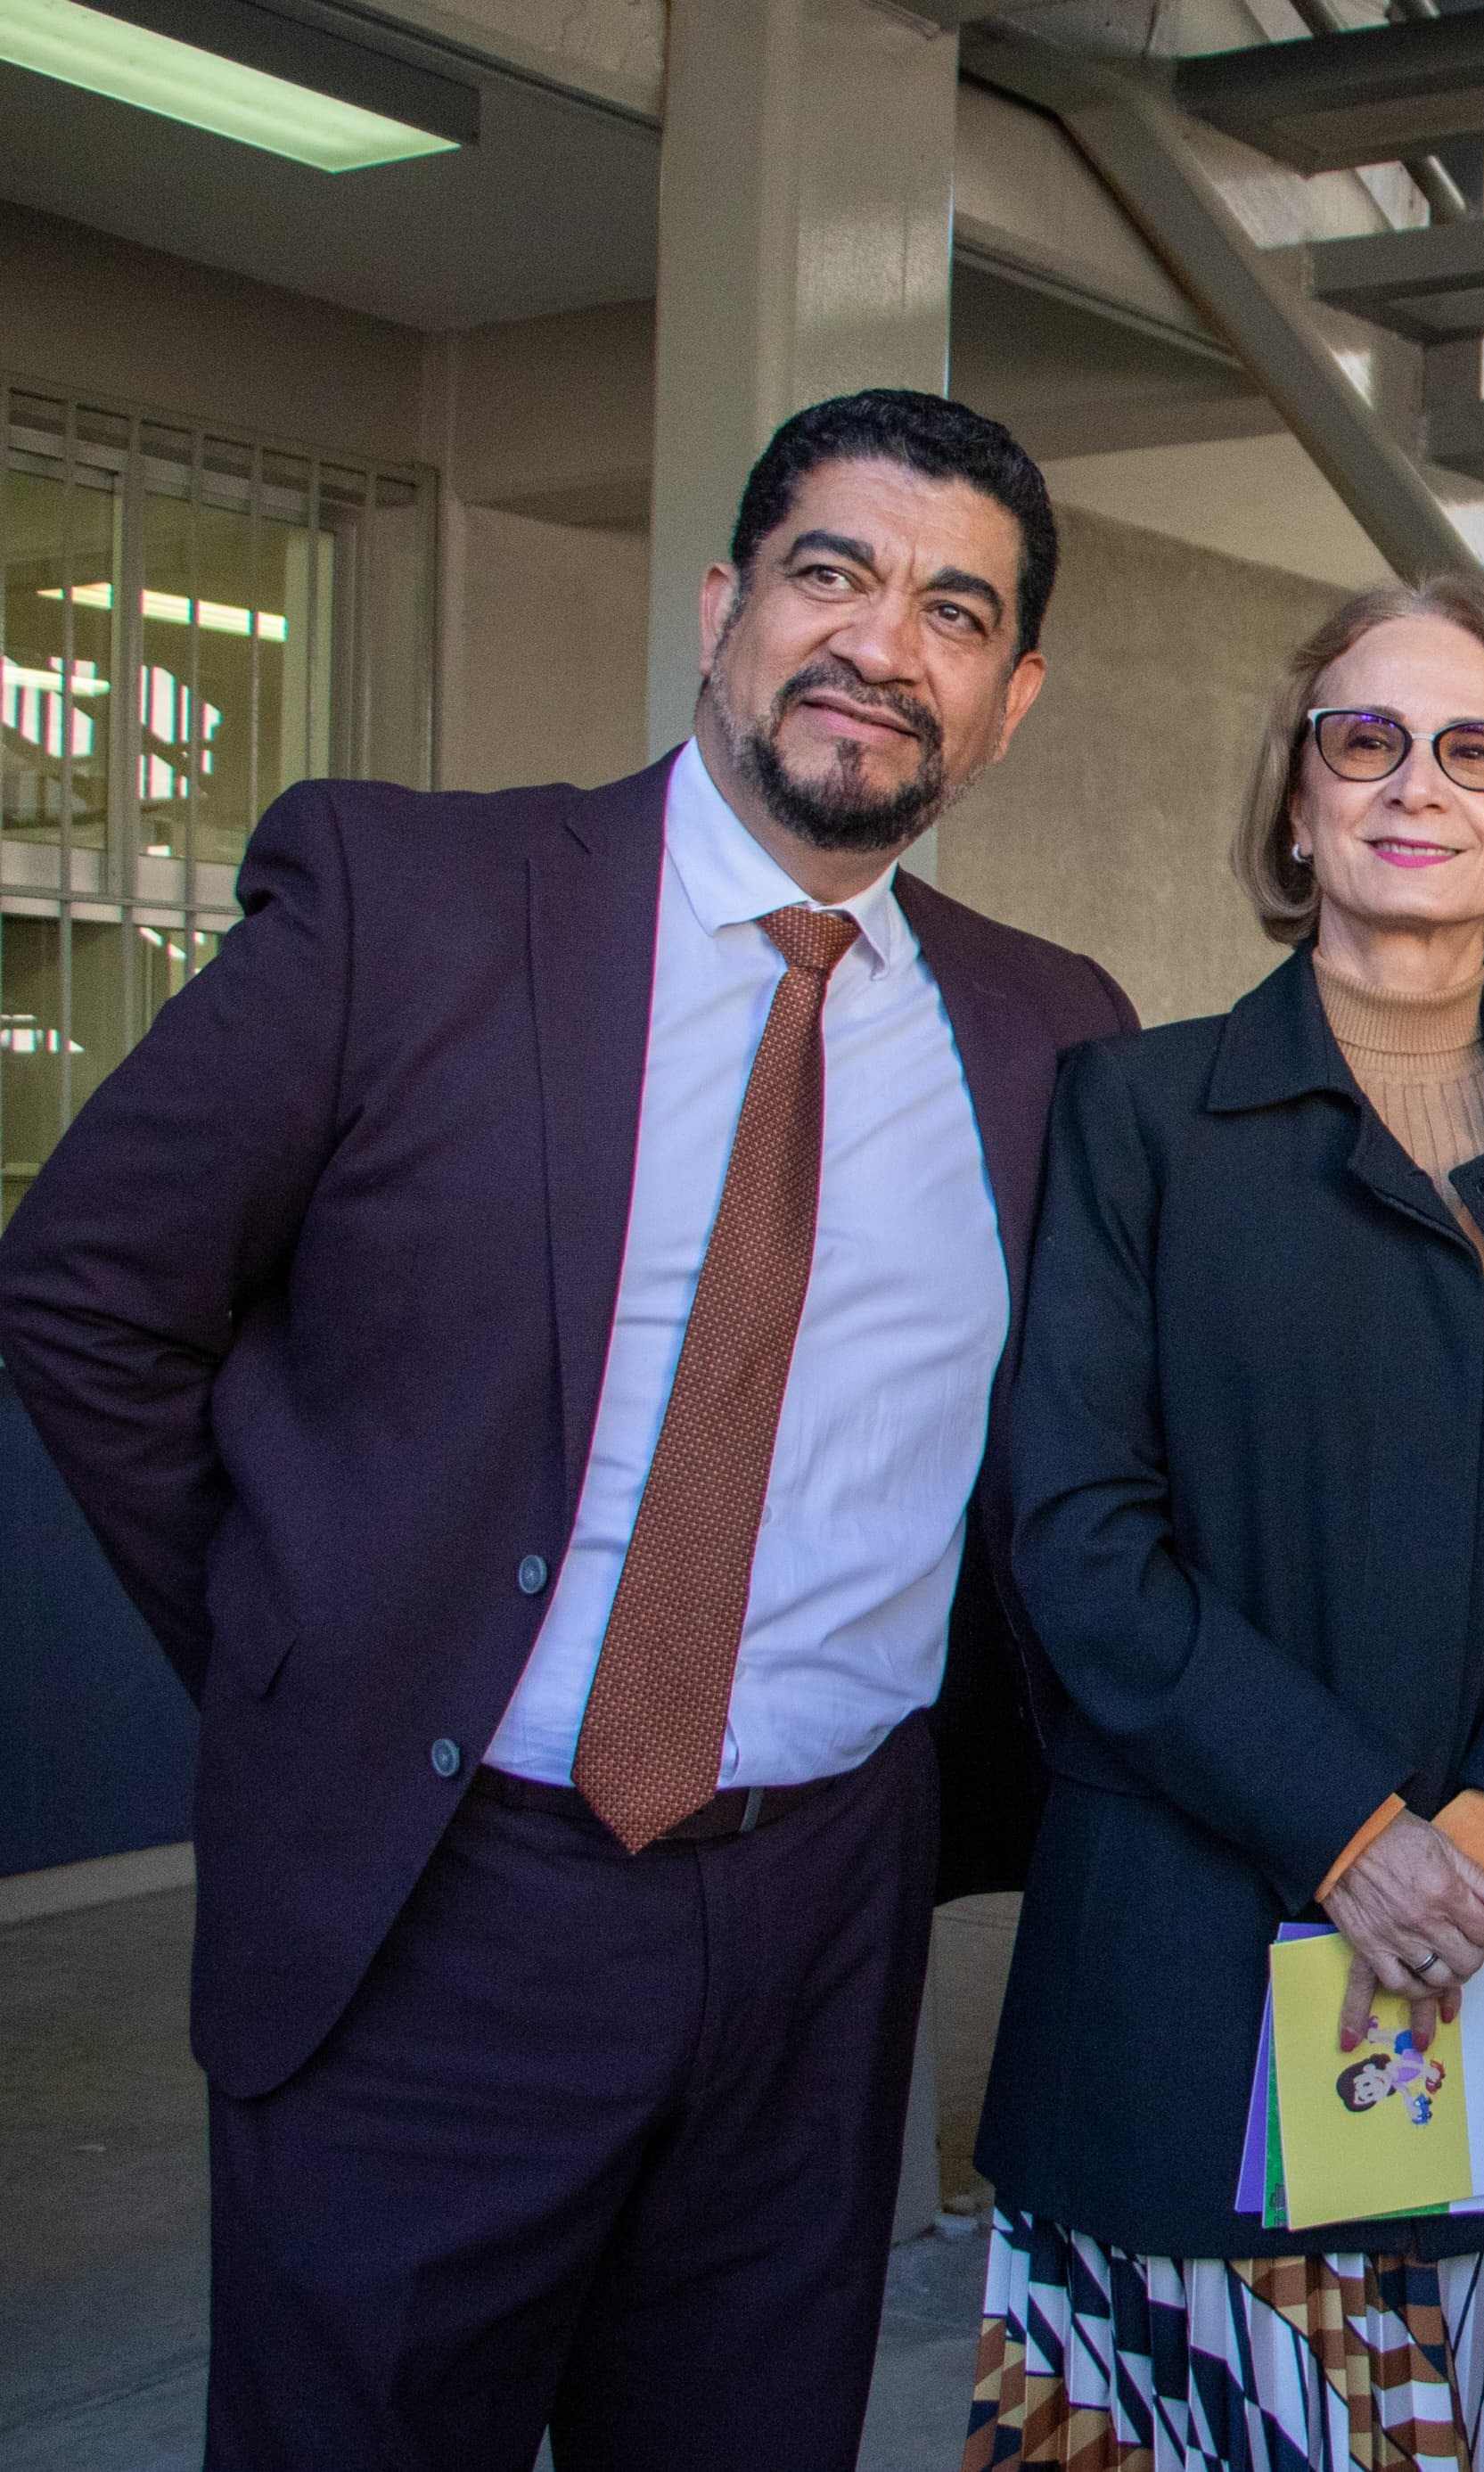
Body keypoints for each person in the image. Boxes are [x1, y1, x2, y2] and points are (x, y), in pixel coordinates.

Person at [0, 389, 1129, 2468]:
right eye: (830, 573)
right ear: (720, 608)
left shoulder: (1051, 1028)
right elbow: (85, 1286)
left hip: (826, 1924)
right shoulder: (409, 900)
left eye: (954, 611)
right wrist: (300, 1636)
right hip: (448, 1907)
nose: (883, 643)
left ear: (1012, 694)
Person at [963, 573, 1484, 2472]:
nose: (1416, 786)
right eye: (1361, 740)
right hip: (1190, 1953)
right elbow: (1079, 1533)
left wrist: (1481, 1836)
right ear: (1296, 806)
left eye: (1479, 748)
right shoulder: (1133, 1115)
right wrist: (1349, 1827)